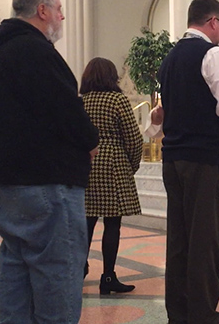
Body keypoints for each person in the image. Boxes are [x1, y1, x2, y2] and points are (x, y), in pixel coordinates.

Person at [0, 0, 99, 323]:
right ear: (42, 11)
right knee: (58, 276)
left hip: (5, 183)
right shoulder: (35, 50)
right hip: (44, 183)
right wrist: (90, 141)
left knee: (17, 269)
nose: (61, 16)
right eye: (58, 9)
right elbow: (65, 109)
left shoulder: (0, 51)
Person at [157, 0, 219, 324]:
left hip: (174, 159)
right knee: (207, 241)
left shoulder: (170, 57)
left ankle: (178, 313)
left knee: (179, 241)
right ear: (213, 22)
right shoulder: (213, 54)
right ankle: (202, 315)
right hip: (207, 160)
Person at [145, 105, 219, 285]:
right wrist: (156, 116)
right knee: (193, 225)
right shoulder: (174, 76)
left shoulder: (218, 76)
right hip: (186, 155)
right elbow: (158, 121)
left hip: (210, 153)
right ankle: (198, 284)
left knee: (213, 219)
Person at [80, 57, 143, 294]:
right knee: (112, 224)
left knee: (85, 223)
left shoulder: (82, 101)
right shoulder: (117, 99)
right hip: (113, 164)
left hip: (87, 164)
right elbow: (134, 138)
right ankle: (108, 277)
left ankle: (78, 270)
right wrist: (131, 164)